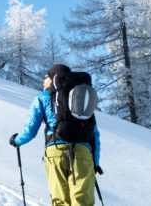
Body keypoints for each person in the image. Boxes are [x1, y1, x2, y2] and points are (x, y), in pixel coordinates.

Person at [9, 64, 101, 206]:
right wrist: (94, 162)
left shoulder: (43, 97)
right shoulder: (81, 99)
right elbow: (94, 134)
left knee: (60, 201)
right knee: (83, 201)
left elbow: (30, 129)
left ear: (52, 79)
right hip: (83, 153)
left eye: (45, 77)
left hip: (55, 151)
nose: (43, 81)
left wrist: (17, 141)